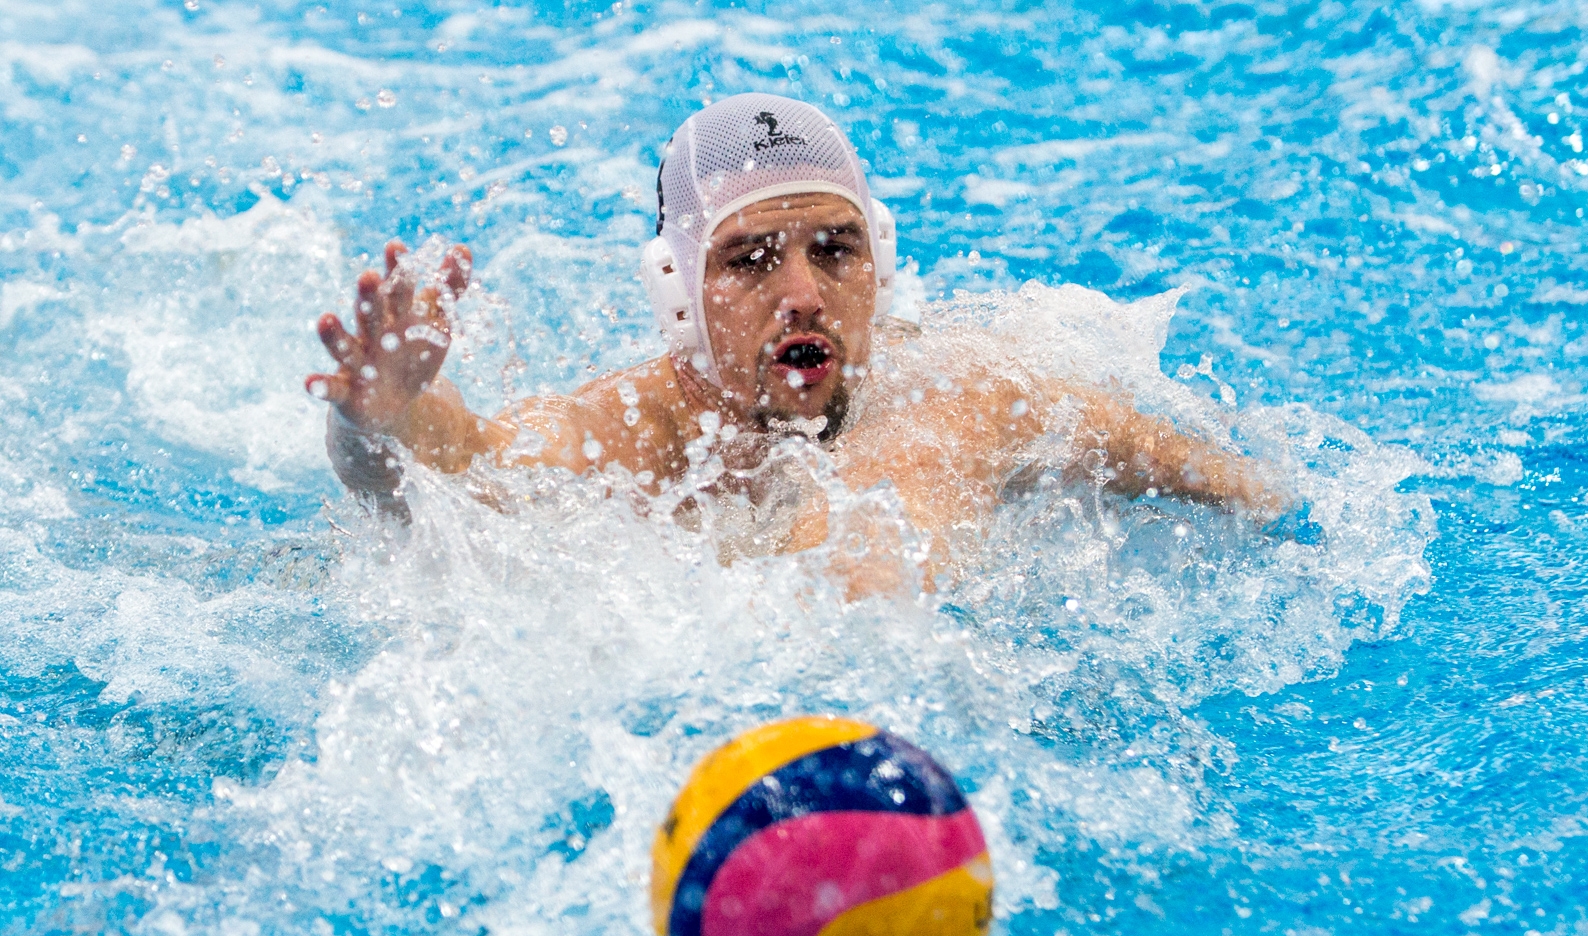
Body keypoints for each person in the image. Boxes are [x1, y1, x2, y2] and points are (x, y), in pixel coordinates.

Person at [305, 94, 1288, 597]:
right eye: (748, 261)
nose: (802, 296)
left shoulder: (977, 397)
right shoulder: (622, 441)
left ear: (883, 264)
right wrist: (377, 416)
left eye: (835, 249)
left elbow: (1244, 490)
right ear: (679, 299)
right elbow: (445, 476)